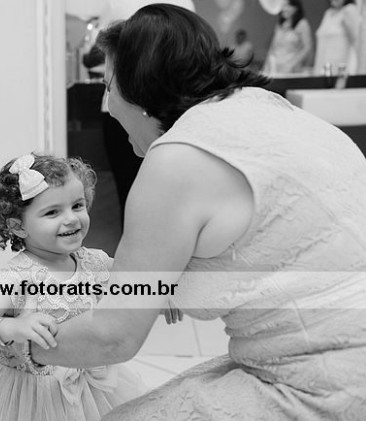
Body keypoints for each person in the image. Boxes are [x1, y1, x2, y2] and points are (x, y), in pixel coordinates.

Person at [30, 4, 366, 420]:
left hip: (328, 383)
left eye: (109, 86)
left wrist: (17, 341)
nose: (107, 103)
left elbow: (113, 337)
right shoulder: (274, 111)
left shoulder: (177, 160)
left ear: (140, 88)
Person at [0, 154, 152, 421]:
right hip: (33, 396)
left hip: (92, 384)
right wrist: (12, 327)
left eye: (77, 205)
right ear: (18, 226)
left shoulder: (94, 261)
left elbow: (133, 280)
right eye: (52, 212)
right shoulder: (17, 278)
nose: (71, 219)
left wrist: (163, 295)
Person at [82, 0, 195, 225]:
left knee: (130, 187)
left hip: (134, 103)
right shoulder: (185, 5)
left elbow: (91, 57)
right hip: (173, 105)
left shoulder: (117, 4)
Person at [263, 0, 313, 75]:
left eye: (287, 5)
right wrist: (266, 66)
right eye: (282, 5)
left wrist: (293, 64)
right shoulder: (280, 25)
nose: (284, 8)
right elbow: (272, 48)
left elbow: (307, 48)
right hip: (276, 68)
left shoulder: (302, 24)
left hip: (292, 70)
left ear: (295, 8)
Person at [314, 0, 362, 75]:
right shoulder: (328, 13)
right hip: (323, 68)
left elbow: (356, 41)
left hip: (341, 69)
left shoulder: (350, 10)